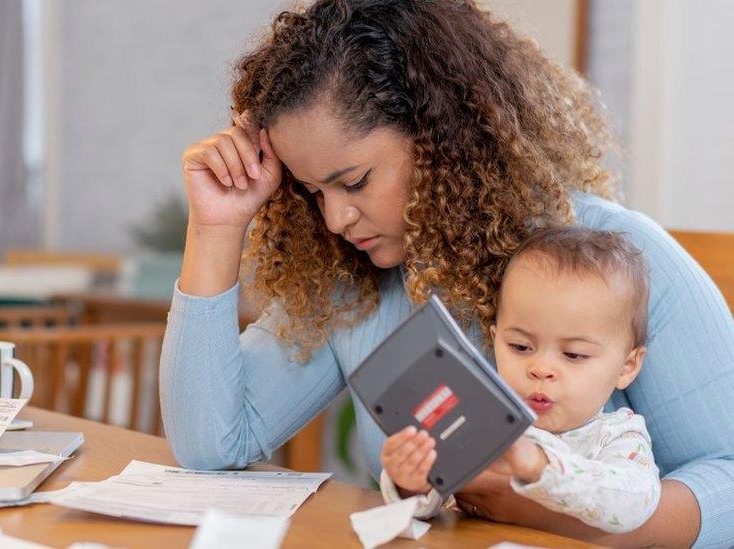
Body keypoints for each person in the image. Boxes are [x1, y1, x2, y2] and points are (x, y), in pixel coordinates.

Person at [160, 1, 734, 545]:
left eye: (355, 181)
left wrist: (564, 518)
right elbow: (211, 443)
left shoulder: (620, 259)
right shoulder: (353, 282)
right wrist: (215, 227)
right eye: (313, 192)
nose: (335, 219)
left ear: (444, 139)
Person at [380, 227, 660, 534]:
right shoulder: (481, 420)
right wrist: (413, 484)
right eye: (521, 347)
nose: (540, 368)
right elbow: (429, 508)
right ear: (495, 340)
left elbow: (634, 506)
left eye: (573, 354)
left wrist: (539, 465)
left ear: (626, 367)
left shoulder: (618, 435)